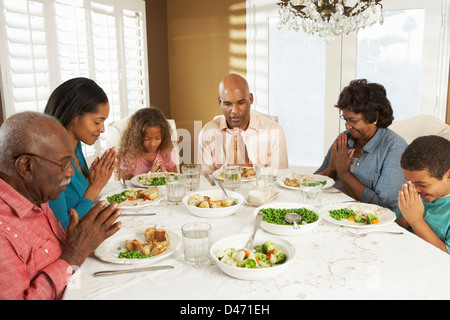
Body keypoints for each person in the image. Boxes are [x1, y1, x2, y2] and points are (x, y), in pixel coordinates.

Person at [0, 112, 122, 300]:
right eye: (63, 164)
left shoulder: (36, 197)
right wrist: (74, 255)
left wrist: (81, 237)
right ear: (26, 166)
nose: (71, 171)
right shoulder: (4, 236)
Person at [315, 79, 407, 212]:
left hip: (362, 220)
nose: (347, 126)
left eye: (353, 121)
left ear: (375, 116)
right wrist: (332, 169)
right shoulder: (344, 139)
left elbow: (384, 208)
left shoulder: (395, 148)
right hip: (327, 210)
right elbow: (313, 184)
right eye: (345, 119)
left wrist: (344, 173)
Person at [44, 77, 117, 229]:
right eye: (97, 122)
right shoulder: (50, 161)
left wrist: (92, 181)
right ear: (74, 116)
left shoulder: (75, 146)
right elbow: (63, 228)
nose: (102, 129)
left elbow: (82, 201)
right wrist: (95, 187)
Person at [198, 73, 288, 174]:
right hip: (222, 190)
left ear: (251, 99)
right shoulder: (208, 132)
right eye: (228, 104)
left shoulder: (274, 131)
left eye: (241, 103)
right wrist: (229, 168)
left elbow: (278, 181)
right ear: (220, 102)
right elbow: (206, 181)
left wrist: (247, 166)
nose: (235, 111)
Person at [396, 135, 450, 253]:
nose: (414, 190)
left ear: (448, 175)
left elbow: (446, 257)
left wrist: (416, 221)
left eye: (422, 184)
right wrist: (406, 217)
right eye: (409, 181)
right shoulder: (414, 194)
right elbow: (395, 231)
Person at [116, 107, 178, 180]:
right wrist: (150, 176)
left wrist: (160, 177)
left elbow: (176, 180)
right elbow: (123, 185)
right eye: (147, 139)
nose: (152, 143)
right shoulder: (130, 157)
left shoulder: (166, 152)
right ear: (137, 137)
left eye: (158, 138)